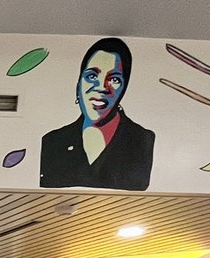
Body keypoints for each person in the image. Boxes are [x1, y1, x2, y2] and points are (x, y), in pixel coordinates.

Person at [39, 37, 155, 191]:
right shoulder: (53, 142)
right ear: (79, 85)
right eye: (92, 76)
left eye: (114, 79)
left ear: (124, 88)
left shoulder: (142, 141)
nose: (102, 87)